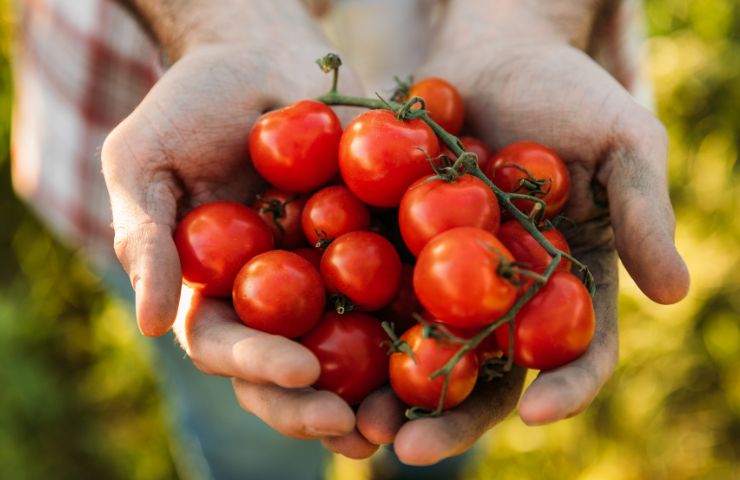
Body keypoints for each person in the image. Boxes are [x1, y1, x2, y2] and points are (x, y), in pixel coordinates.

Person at [13, 0, 690, 478]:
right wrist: (226, 19)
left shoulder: (473, 217)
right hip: (145, 76)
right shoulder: (472, 219)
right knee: (250, 433)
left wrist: (528, 18)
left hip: (499, 58)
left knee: (435, 432)